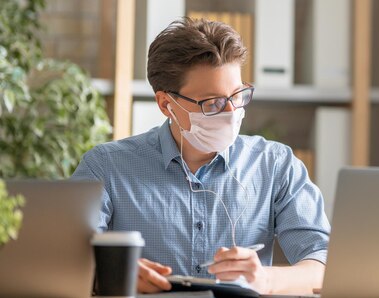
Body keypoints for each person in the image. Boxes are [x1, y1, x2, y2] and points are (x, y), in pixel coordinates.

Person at [72, 18, 330, 295]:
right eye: (213, 103)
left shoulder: (275, 165)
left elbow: (325, 264)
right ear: (166, 104)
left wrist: (266, 280)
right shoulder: (106, 167)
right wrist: (111, 276)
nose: (231, 112)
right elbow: (62, 260)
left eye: (238, 95)